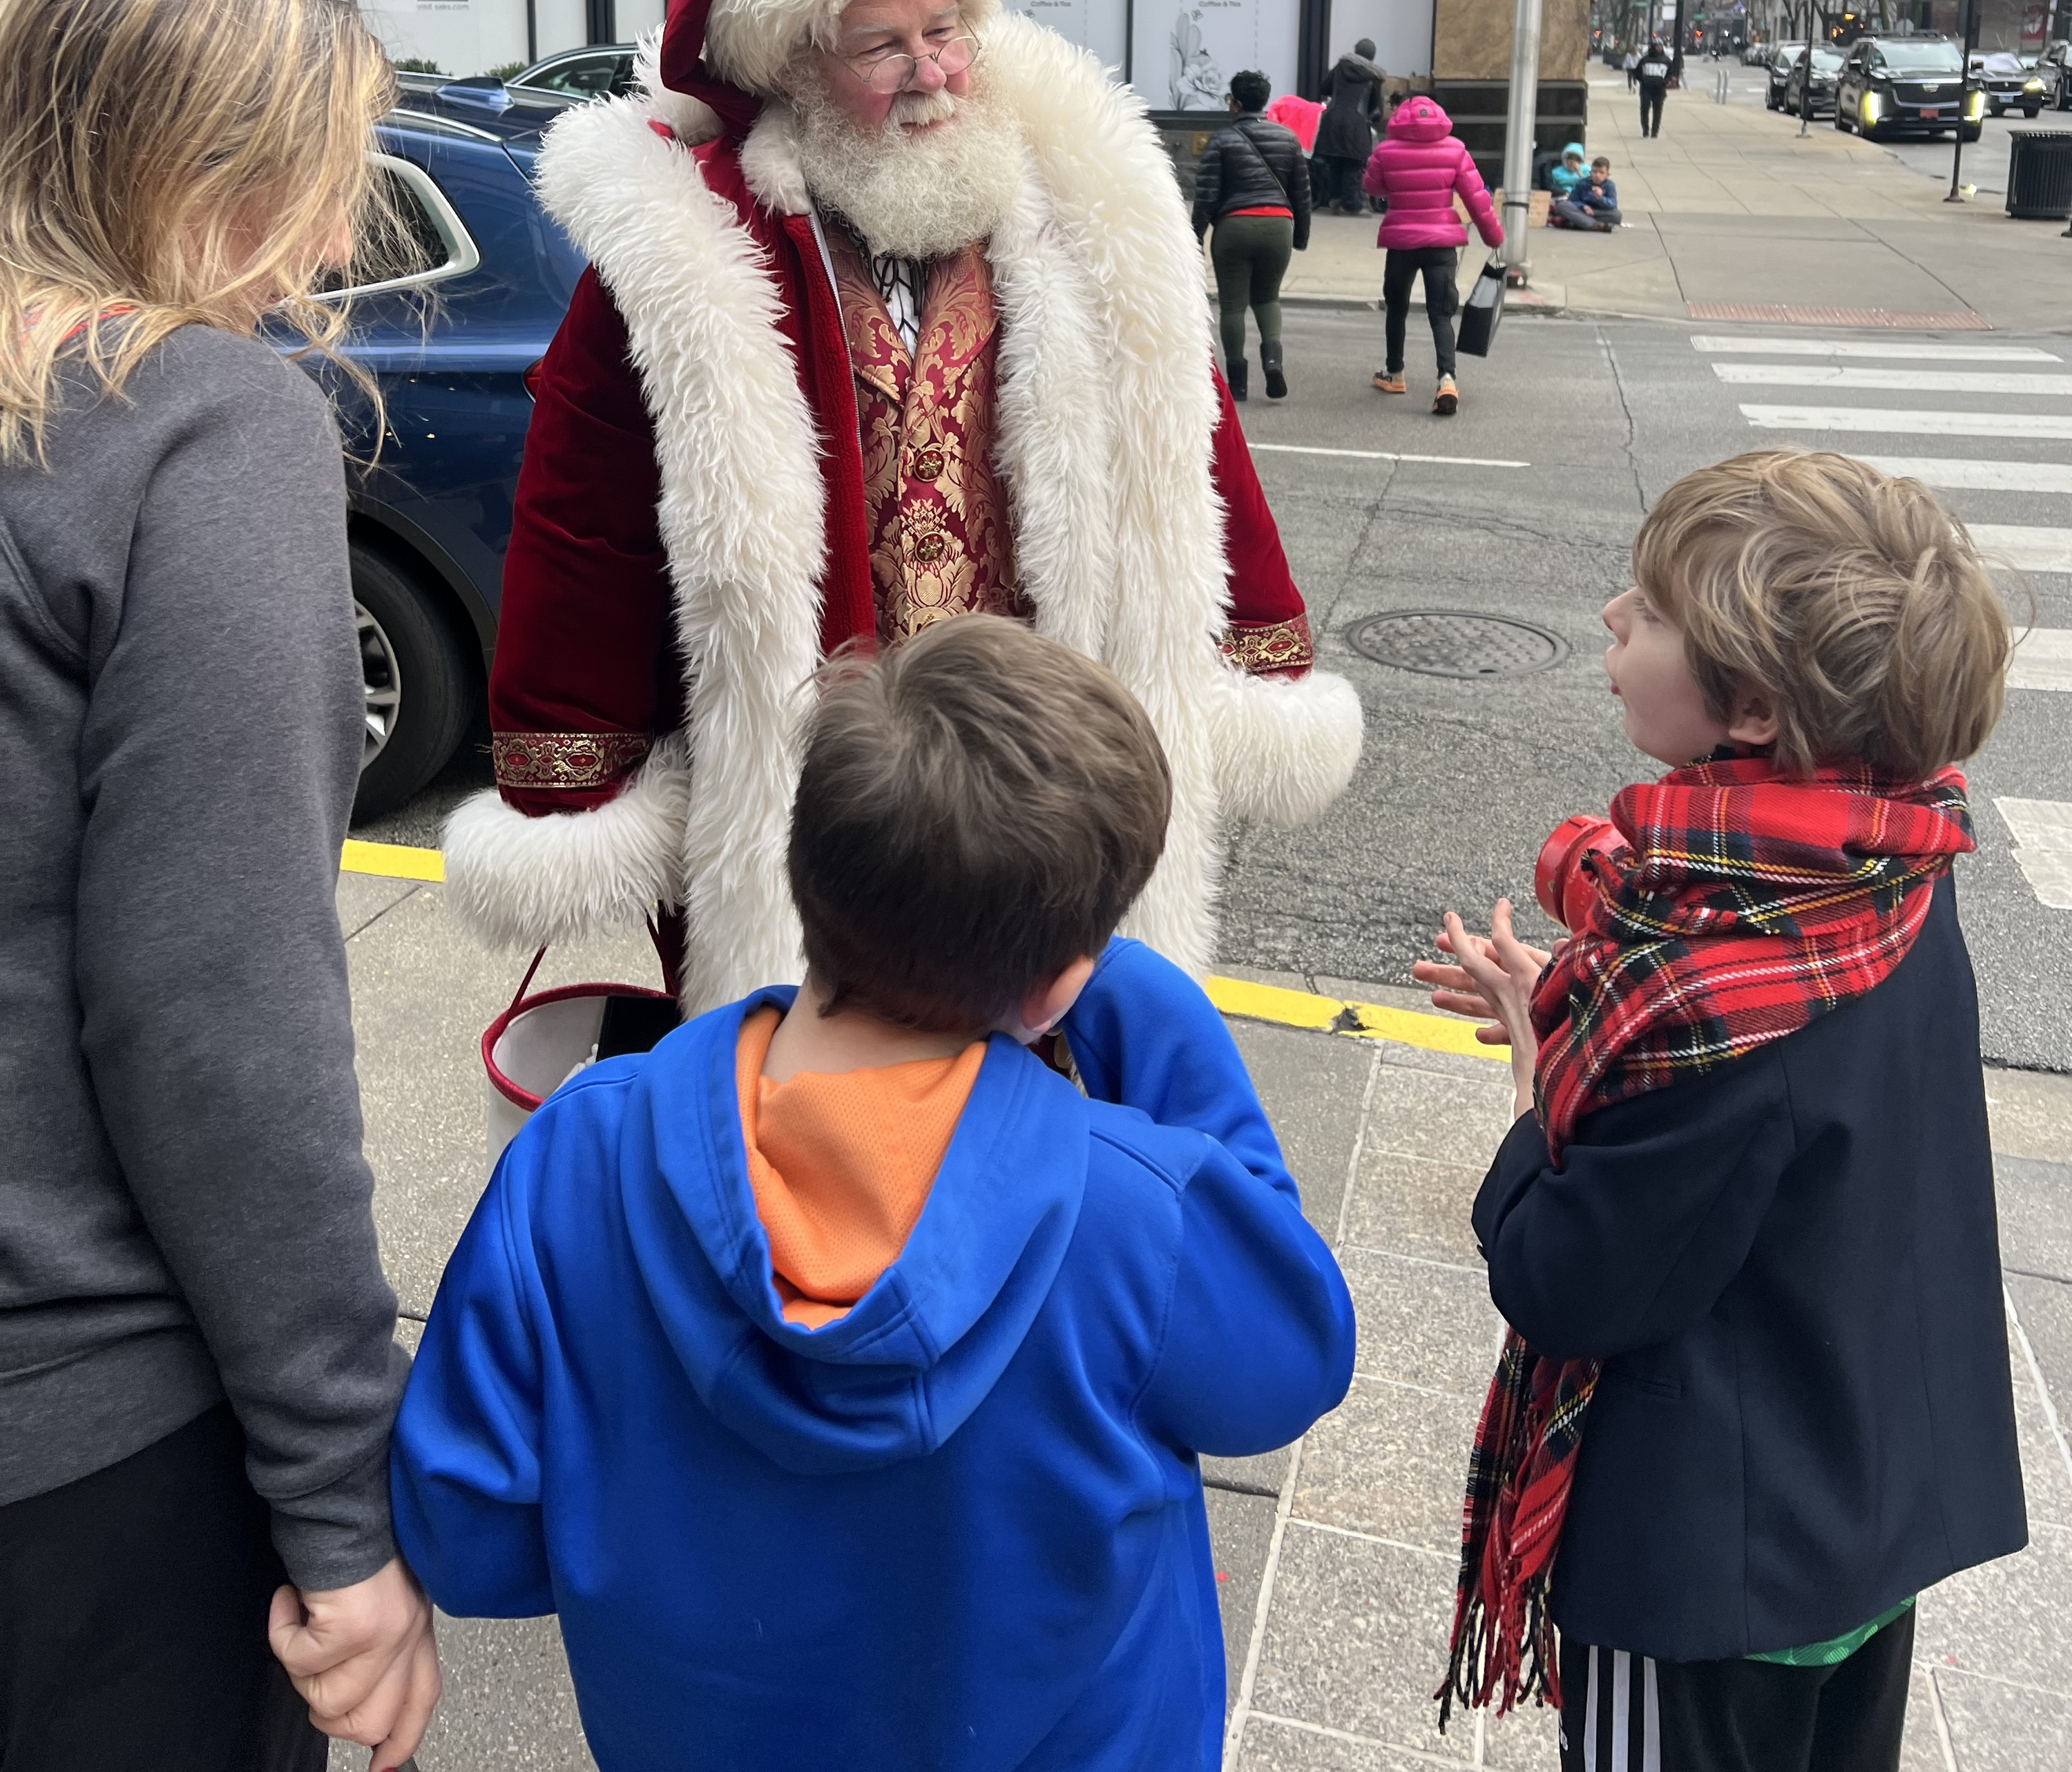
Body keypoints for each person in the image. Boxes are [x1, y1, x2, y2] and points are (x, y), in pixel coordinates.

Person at [392, 618, 1357, 1772]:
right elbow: (1292, 1360)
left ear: (809, 878)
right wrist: (1147, 1011)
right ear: (1058, 988)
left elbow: (472, 1539)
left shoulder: (574, 1161)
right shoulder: (1132, 1216)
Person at [445, 0, 1361, 1011]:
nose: (931, 74)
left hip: (1045, 779)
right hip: (830, 808)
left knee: (1048, 1062)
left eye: (946, 31)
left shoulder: (1086, 210)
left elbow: (1195, 447)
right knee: (831, 1101)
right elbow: (585, 520)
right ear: (795, 66)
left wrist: (1264, 650)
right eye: (883, 46)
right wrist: (567, 778)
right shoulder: (691, 248)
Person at [0, 0, 441, 1772]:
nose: (336, 250)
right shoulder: (190, 421)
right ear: (199, 174)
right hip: (81, 1450)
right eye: (318, 188)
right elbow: (217, 1012)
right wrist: (344, 1500)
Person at [1418, 451, 2025, 1772]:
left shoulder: (1703, 1010)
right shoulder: (1894, 857)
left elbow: (1566, 1280)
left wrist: (1547, 1073)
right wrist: (1593, 1009)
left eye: (1646, 605)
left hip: (1709, 1559)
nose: (1610, 619)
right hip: (1861, 1492)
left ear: (1749, 704)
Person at [1361, 92, 1504, 418]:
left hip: (1401, 242)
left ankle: (1394, 373)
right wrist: (1493, 236)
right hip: (1441, 245)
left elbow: (1373, 187)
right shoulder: (1455, 150)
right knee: (1441, 313)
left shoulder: (1385, 151)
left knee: (1396, 308)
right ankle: (1447, 380)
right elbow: (1477, 199)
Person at [1192, 68, 1311, 402]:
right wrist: (1299, 236)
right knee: (1268, 298)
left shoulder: (1222, 141)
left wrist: (1195, 239)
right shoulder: (1288, 139)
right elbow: (1302, 194)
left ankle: (1239, 384)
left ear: (1237, 104)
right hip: (1278, 227)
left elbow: (1207, 196)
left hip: (1234, 228)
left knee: (1233, 306)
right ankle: (1273, 363)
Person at [1313, 37, 1385, 213]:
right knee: (1353, 165)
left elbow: (1324, 87)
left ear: (1356, 50)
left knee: (1335, 162)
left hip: (1333, 120)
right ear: (1372, 56)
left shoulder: (1341, 68)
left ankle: (1334, 200)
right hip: (1357, 123)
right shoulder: (1373, 77)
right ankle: (1351, 204)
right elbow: (1376, 108)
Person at [1550, 147, 1620, 232]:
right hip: (1582, 211)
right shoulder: (1582, 182)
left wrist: (1600, 198)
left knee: (1617, 215)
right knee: (1562, 206)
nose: (1597, 175)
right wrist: (1584, 206)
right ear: (1591, 172)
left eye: (1601, 173)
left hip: (1598, 213)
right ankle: (1595, 225)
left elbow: (1613, 205)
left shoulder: (1610, 185)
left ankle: (1581, 223)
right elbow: (1572, 200)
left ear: (1607, 175)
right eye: (1595, 172)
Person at [1635, 35, 1673, 137]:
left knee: (1657, 111)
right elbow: (1637, 73)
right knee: (1644, 109)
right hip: (1646, 88)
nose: (1658, 48)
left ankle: (1655, 131)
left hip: (1660, 88)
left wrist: (1666, 81)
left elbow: (1671, 73)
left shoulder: (1666, 61)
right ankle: (1645, 130)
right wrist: (1643, 80)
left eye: (1660, 46)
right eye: (1656, 46)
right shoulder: (1644, 60)